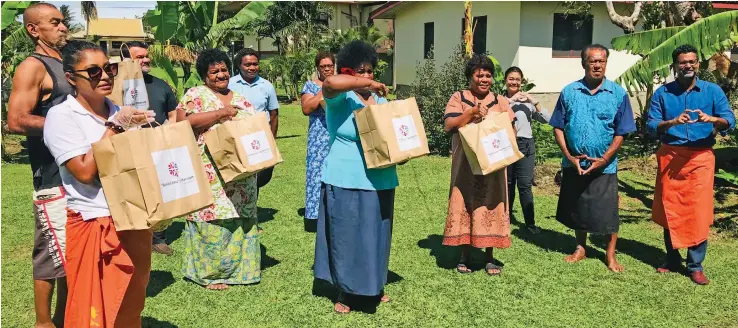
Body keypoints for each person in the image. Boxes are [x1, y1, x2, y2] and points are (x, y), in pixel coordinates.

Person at [43, 40, 155, 328]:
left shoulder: (117, 108)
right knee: (95, 307)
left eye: (109, 68)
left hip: (133, 217)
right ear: (71, 78)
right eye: (93, 71)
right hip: (94, 219)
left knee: (131, 300)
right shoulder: (61, 116)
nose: (105, 77)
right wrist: (116, 127)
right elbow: (83, 171)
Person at [314, 40, 395, 314]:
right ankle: (345, 290)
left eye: (371, 71)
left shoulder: (380, 99)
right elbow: (329, 83)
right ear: (349, 71)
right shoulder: (341, 97)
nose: (368, 76)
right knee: (346, 235)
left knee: (376, 233)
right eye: (361, 71)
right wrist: (362, 83)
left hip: (381, 177)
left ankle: (374, 284)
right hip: (345, 176)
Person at [647, 44, 736, 285]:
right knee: (670, 209)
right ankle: (672, 259)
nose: (688, 65)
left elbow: (730, 120)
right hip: (671, 156)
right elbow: (651, 126)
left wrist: (714, 119)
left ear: (698, 63)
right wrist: (672, 122)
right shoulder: (662, 94)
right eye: (683, 62)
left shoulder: (712, 91)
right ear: (674, 66)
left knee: (698, 211)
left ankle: (695, 265)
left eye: (692, 61)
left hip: (700, 158)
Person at [7, 3, 71, 327]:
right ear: (34, 30)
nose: (63, 27)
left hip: (79, 176)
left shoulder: (68, 63)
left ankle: (64, 320)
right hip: (51, 177)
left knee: (71, 257)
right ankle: (44, 324)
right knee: (50, 256)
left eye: (63, 21)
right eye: (55, 22)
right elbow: (15, 120)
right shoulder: (32, 66)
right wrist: (67, 128)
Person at [177, 49, 261, 290]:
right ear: (204, 76)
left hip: (241, 170)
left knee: (238, 214)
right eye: (214, 71)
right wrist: (221, 113)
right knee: (210, 216)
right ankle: (210, 274)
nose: (221, 75)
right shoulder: (195, 94)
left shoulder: (242, 99)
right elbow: (182, 123)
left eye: (224, 70)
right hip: (208, 168)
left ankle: (241, 271)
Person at [549, 44, 636, 273]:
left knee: (608, 212)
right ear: (584, 63)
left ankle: (610, 255)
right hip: (575, 163)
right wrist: (569, 155)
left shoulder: (617, 94)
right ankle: (580, 248)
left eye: (601, 61)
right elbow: (558, 126)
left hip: (605, 166)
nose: (597, 65)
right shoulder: (569, 91)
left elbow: (622, 131)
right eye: (592, 61)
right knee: (579, 208)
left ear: (606, 63)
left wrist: (605, 159)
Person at [442, 54, 515, 276]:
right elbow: (449, 125)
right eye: (479, 75)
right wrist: (471, 113)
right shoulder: (459, 98)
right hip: (466, 164)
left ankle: (489, 256)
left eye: (488, 75)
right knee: (466, 201)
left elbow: (510, 128)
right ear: (470, 76)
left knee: (492, 203)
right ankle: (465, 255)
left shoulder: (501, 101)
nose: (484, 79)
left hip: (493, 164)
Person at [121, 40, 179, 256]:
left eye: (147, 56)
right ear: (126, 59)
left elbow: (173, 114)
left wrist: (167, 135)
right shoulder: (117, 85)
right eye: (139, 57)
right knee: (131, 191)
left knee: (160, 190)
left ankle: (158, 237)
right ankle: (130, 234)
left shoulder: (160, 84)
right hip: (127, 147)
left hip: (158, 146)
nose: (146, 60)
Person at [503, 66, 551, 234]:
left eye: (517, 79)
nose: (514, 82)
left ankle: (530, 223)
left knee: (524, 186)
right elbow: (493, 115)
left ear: (521, 81)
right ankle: (505, 221)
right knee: (507, 185)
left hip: (526, 146)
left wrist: (533, 100)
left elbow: (547, 119)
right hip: (506, 145)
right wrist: (511, 100)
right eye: (511, 78)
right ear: (505, 81)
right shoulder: (500, 100)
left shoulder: (528, 104)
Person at [228, 48, 279, 198]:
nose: (252, 68)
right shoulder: (230, 85)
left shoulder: (267, 86)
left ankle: (252, 210)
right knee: (238, 174)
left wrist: (272, 139)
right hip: (237, 137)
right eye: (247, 64)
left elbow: (274, 114)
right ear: (239, 66)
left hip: (259, 139)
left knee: (258, 176)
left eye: (255, 64)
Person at [300, 51, 335, 231]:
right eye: (323, 66)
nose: (327, 69)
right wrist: (324, 89)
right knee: (316, 175)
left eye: (330, 65)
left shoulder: (341, 85)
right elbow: (306, 108)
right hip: (318, 138)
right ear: (317, 68)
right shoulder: (310, 86)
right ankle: (314, 216)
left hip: (336, 136)